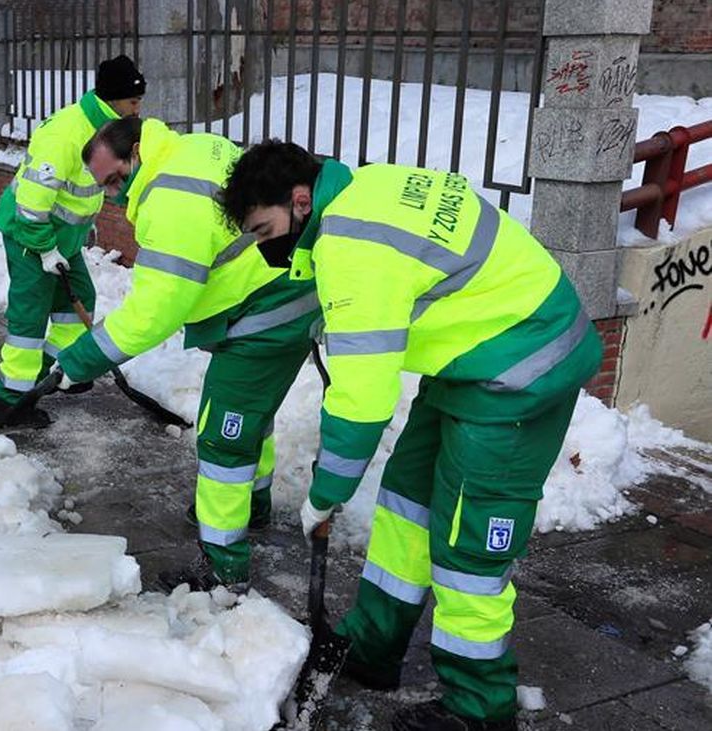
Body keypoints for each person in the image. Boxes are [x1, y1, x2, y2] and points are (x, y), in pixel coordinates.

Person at [217, 141, 602, 731]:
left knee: (468, 542)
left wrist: (325, 495)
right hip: (473, 350)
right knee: (407, 498)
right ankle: (373, 643)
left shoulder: (350, 245)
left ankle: (479, 705)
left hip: (523, 364)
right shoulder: (364, 188)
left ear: (300, 202)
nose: (267, 247)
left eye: (266, 229)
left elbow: (363, 399)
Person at [53, 118, 321, 593]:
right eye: (104, 188)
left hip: (268, 311)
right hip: (287, 292)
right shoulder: (194, 148)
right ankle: (253, 506)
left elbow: (154, 312)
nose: (113, 195)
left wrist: (78, 361)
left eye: (115, 179)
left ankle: (223, 566)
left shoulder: (168, 199)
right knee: (248, 414)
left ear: (136, 151)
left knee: (223, 436)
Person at [0, 54, 145, 413]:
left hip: (64, 240)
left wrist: (83, 227)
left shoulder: (109, 132)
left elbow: (87, 188)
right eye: (133, 102)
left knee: (76, 306)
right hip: (30, 234)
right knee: (31, 310)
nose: (137, 110)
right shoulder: (66, 132)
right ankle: (12, 392)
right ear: (113, 99)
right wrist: (44, 250)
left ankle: (45, 374)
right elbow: (31, 203)